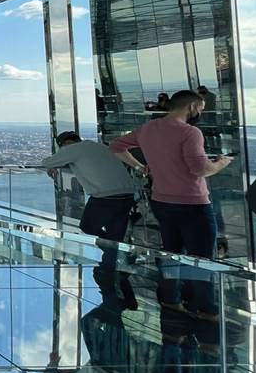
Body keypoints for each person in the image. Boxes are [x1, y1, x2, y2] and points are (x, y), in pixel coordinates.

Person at [110, 90, 230, 312]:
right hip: (192, 203)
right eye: (201, 109)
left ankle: (171, 300)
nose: (200, 113)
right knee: (201, 258)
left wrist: (139, 167)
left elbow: (116, 146)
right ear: (192, 107)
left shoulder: (147, 129)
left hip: (162, 201)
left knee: (170, 253)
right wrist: (221, 163)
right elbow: (200, 169)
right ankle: (205, 309)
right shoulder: (190, 132)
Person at [41, 131, 138, 262]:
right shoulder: (101, 146)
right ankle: (114, 262)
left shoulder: (73, 149)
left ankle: (115, 258)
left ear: (67, 143)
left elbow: (46, 162)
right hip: (127, 195)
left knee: (88, 226)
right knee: (115, 237)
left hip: (105, 197)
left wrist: (53, 164)